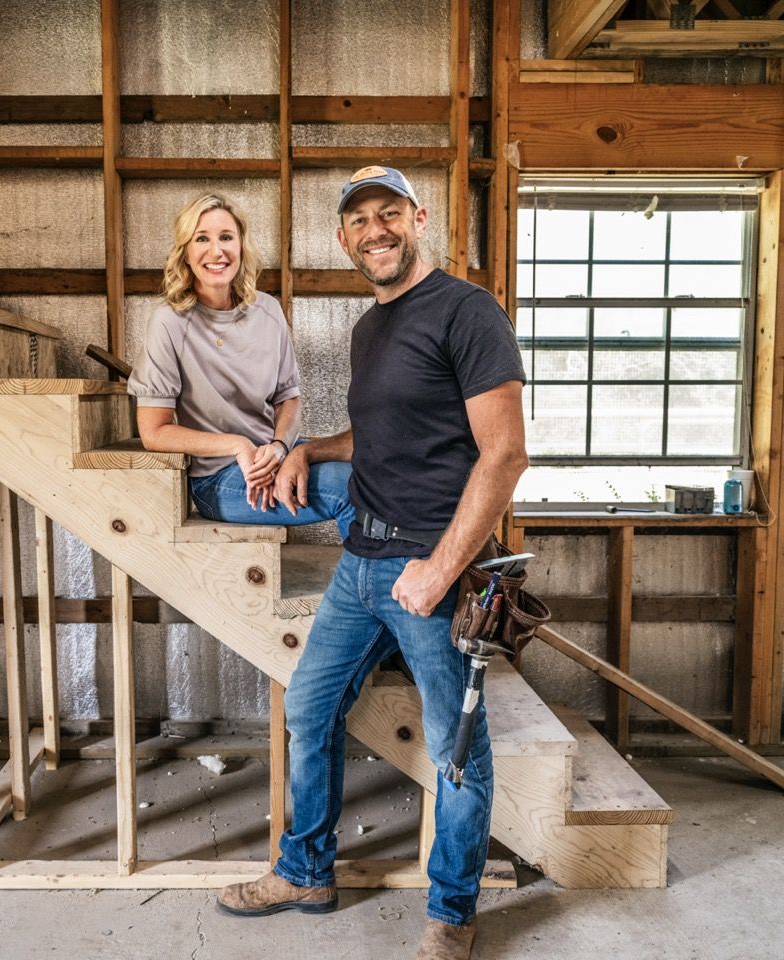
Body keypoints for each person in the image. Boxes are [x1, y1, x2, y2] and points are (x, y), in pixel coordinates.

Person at [216, 167, 528, 960]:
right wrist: (307, 447)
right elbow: (377, 438)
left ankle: (451, 915)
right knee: (308, 712)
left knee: (457, 753)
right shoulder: (369, 328)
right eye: (360, 221)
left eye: (390, 213)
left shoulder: (467, 311)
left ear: (418, 219)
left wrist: (439, 570)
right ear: (343, 237)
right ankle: (305, 871)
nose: (376, 230)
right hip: (360, 565)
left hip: (428, 568)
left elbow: (505, 454)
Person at [128, 193, 354, 536]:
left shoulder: (267, 310)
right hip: (218, 478)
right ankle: (367, 591)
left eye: (226, 237)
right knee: (353, 490)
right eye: (201, 238)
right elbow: (153, 432)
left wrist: (279, 448)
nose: (216, 251)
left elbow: (288, 397)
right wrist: (237, 446)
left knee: (378, 471)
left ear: (241, 246)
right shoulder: (169, 322)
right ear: (186, 252)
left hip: (274, 453)